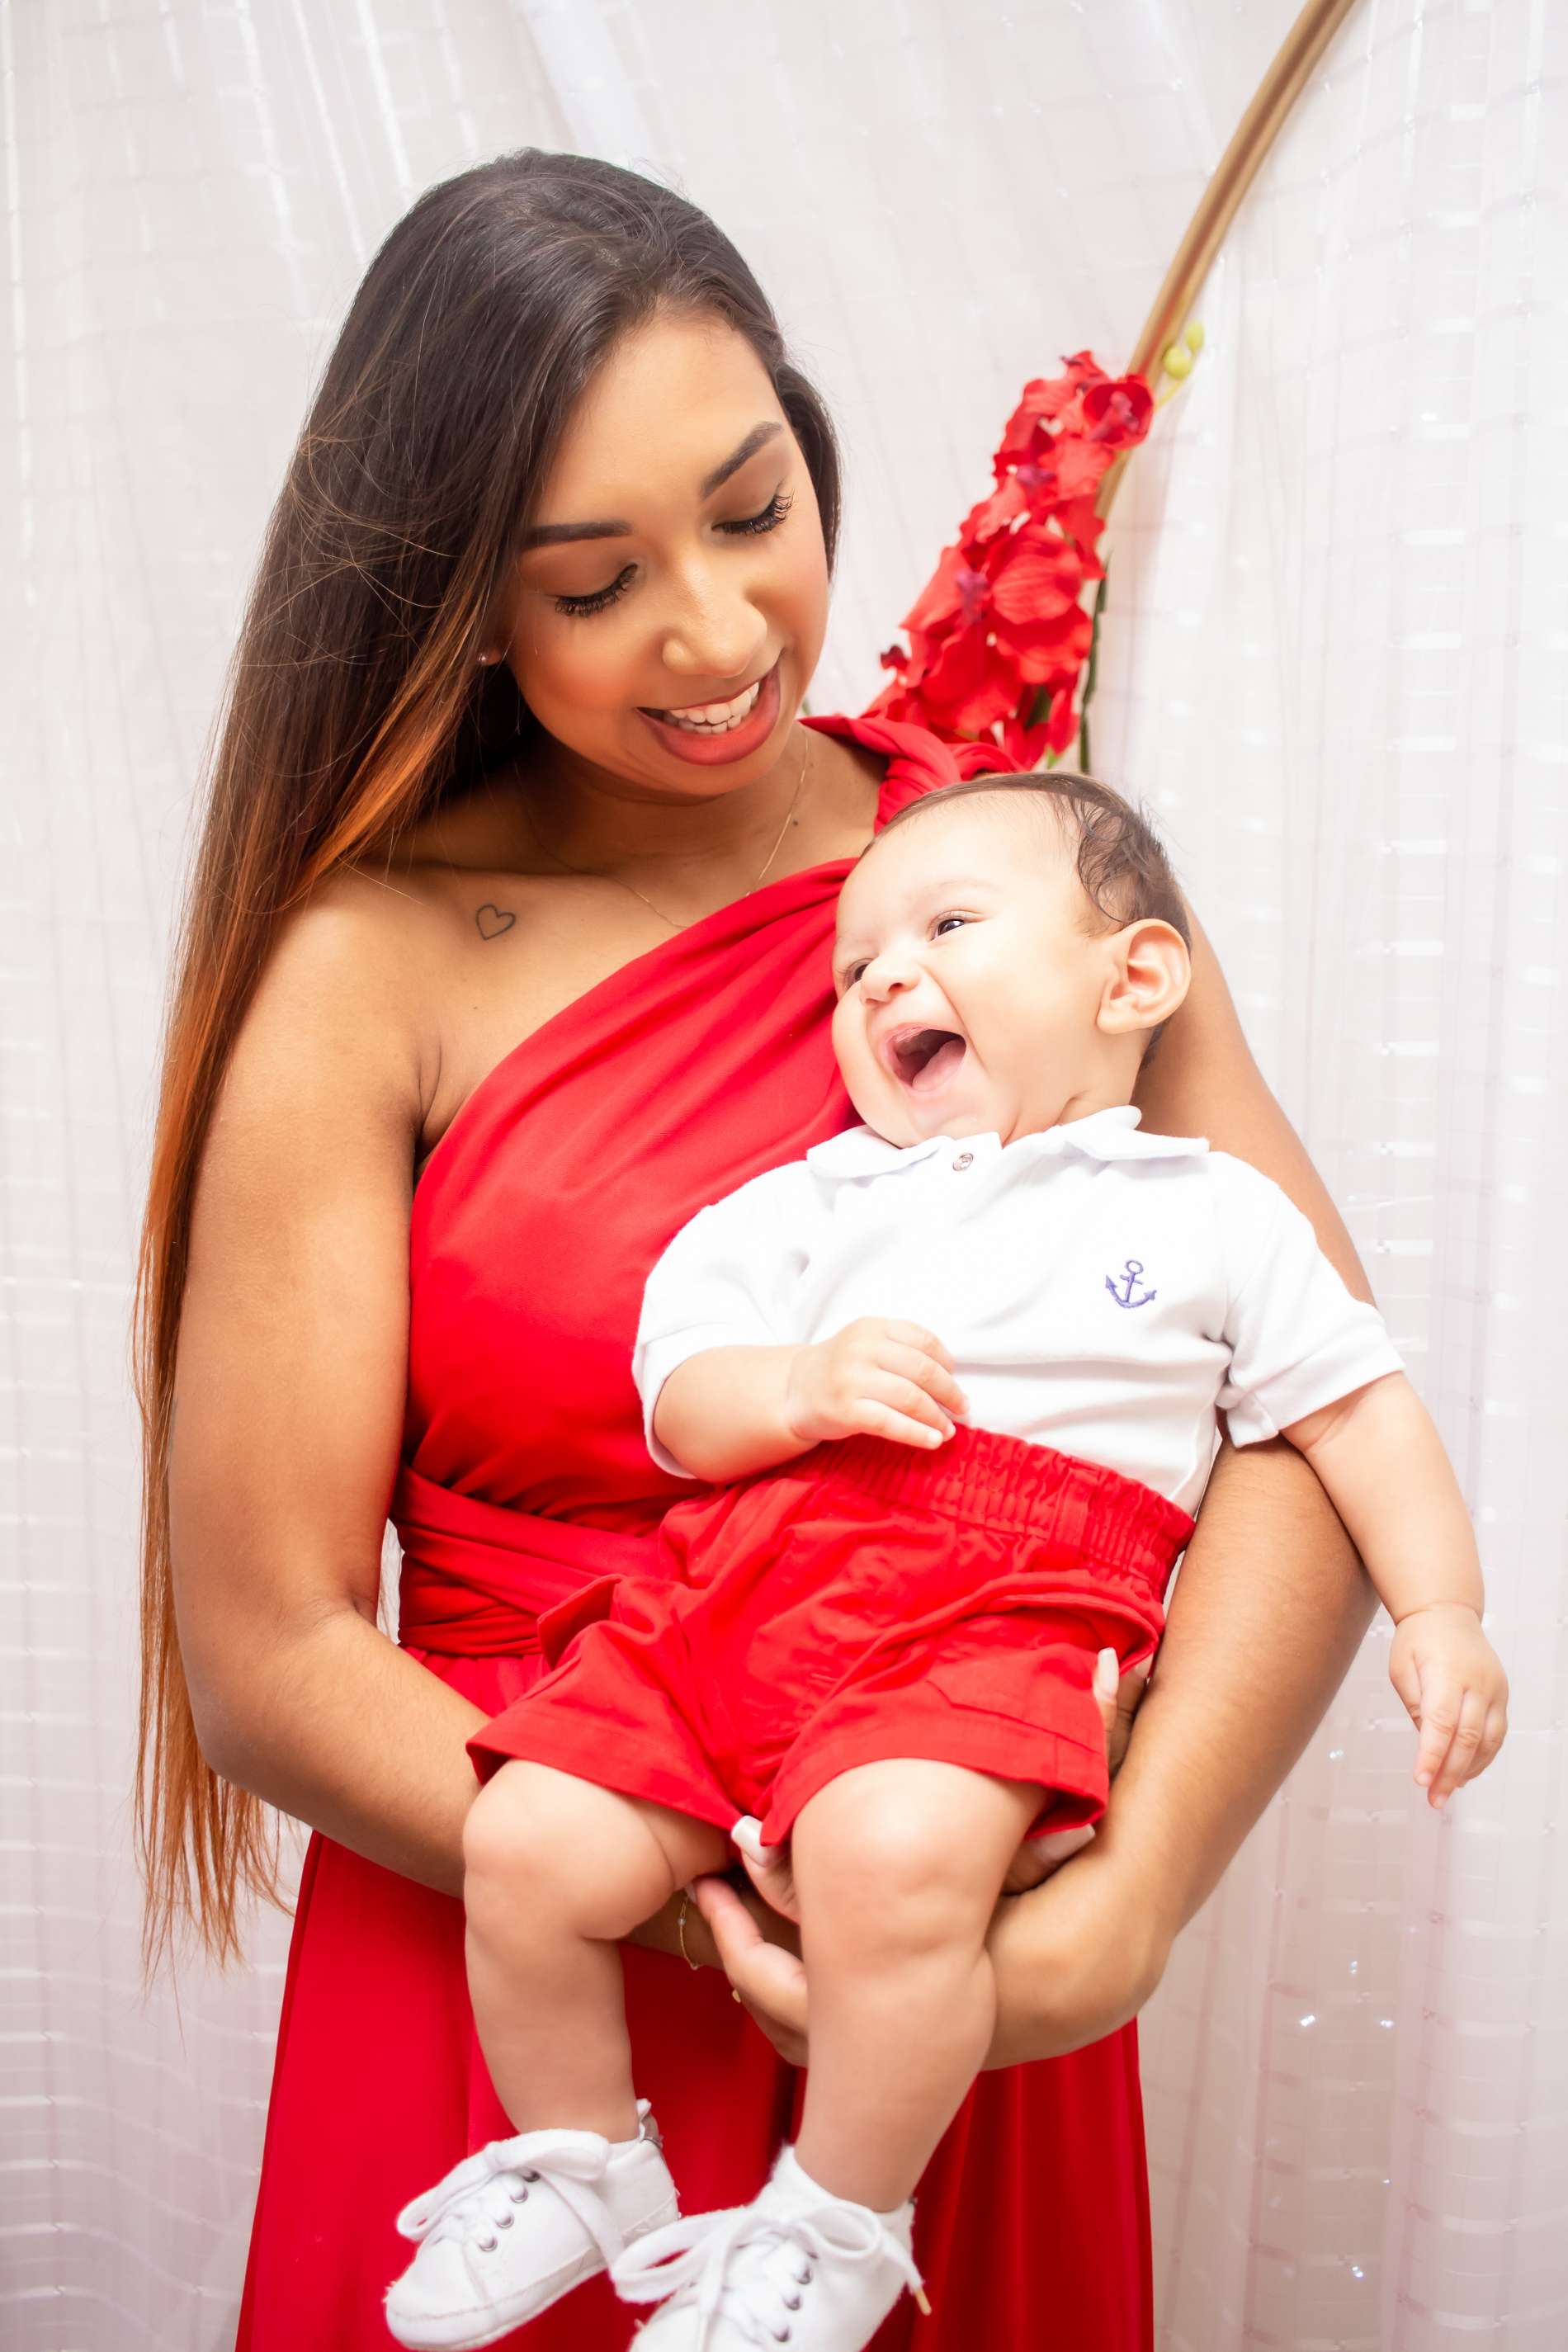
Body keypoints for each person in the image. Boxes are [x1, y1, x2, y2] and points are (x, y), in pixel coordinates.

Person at [138, 151, 1419, 2352]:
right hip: (523, 1948)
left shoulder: (1015, 876)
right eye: (595, 580)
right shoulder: (371, 964)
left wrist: (1112, 1915)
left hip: (947, 1962)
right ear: (463, 600)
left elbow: (1311, 1400)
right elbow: (266, 1646)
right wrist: (678, 1888)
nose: (720, 633)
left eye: (753, 511)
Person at [381, 775, 1507, 2351]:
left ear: (1135, 978)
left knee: (891, 1850)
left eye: (948, 927)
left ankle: (836, 2217)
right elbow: (680, 1390)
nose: (882, 978)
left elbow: (1355, 1410)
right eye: (855, 967)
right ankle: (583, 2159)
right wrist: (796, 1387)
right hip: (747, 1584)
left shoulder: (1213, 1211)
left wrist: (1440, 1606)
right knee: (526, 1839)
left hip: (1004, 1602)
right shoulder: (808, 1199)